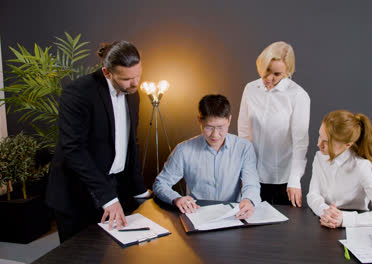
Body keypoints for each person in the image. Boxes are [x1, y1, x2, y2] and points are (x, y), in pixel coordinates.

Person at [46, 41, 151, 243]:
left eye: (138, 75)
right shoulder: (78, 93)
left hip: (111, 186)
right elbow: (74, 149)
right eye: (127, 79)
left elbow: (131, 143)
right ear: (107, 72)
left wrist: (139, 189)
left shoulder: (133, 94)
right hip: (76, 193)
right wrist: (108, 198)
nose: (135, 84)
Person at [153, 94, 261, 219]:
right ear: (199, 120)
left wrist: (249, 200)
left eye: (221, 127)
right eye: (209, 127)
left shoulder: (244, 147)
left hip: (232, 216)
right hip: (197, 214)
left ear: (229, 120)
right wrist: (176, 198)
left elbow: (251, 184)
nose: (215, 135)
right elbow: (160, 183)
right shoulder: (183, 150)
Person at [238, 41, 310, 207]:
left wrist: (294, 180)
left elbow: (300, 143)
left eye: (277, 74)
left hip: (282, 178)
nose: (269, 78)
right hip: (252, 175)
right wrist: (242, 171)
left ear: (288, 72)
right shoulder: (250, 89)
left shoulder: (298, 95)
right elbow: (243, 132)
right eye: (267, 70)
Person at [306, 110, 372, 228]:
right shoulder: (320, 157)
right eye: (319, 136)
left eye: (327, 142)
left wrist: (345, 219)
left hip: (353, 227)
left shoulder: (361, 166)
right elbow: (313, 195)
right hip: (325, 222)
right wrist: (325, 211)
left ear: (347, 145)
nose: (319, 144)